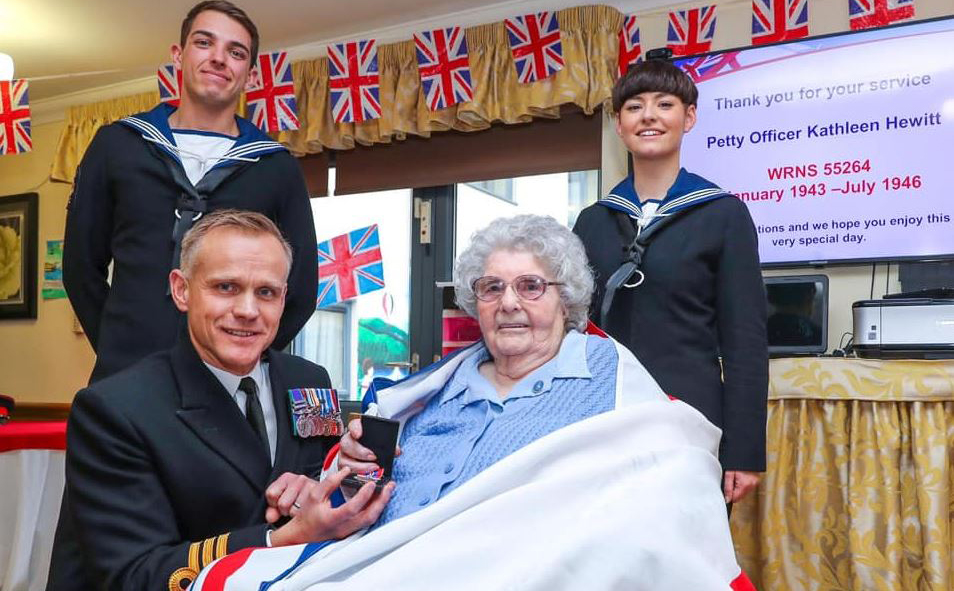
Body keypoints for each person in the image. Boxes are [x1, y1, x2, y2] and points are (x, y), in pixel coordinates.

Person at [187, 215, 754, 590]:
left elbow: (670, 474)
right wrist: (351, 474)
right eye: (491, 288)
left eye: (531, 287)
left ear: (567, 299)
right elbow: (371, 488)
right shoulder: (431, 392)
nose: (509, 303)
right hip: (388, 558)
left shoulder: (609, 379)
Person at [47, 211, 391, 591]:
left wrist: (326, 479)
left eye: (266, 292)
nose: (247, 311)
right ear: (182, 290)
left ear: (283, 299)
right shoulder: (115, 410)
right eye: (226, 287)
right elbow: (135, 574)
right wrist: (281, 539)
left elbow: (316, 476)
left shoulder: (309, 381)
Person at [63, 0, 317, 383]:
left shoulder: (276, 167)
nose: (218, 58)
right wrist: (119, 346)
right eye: (204, 43)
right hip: (124, 380)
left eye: (235, 52)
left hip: (226, 390)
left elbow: (300, 287)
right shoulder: (116, 145)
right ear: (178, 55)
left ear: (250, 76)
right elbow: (80, 266)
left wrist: (240, 357)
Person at [572, 59, 768, 504]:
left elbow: (746, 343)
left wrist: (743, 450)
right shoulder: (592, 221)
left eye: (665, 104)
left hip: (691, 417)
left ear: (689, 117)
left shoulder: (724, 215)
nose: (649, 116)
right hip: (604, 418)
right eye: (634, 106)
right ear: (619, 125)